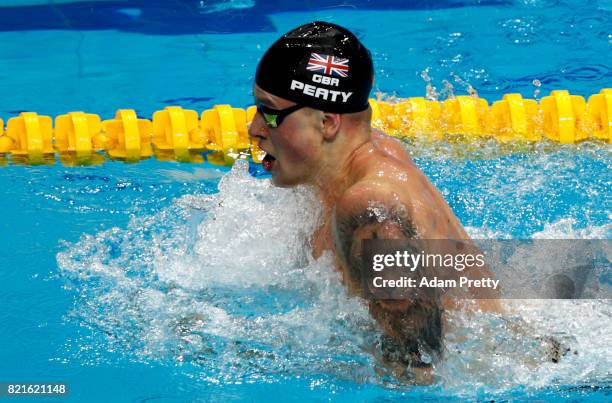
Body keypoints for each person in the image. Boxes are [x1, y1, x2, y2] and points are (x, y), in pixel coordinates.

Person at [248, 21, 500, 378]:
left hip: (489, 370)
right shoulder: (350, 158)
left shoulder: (371, 207)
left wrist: (254, 357)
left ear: (327, 123)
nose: (255, 129)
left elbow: (418, 369)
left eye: (269, 112)